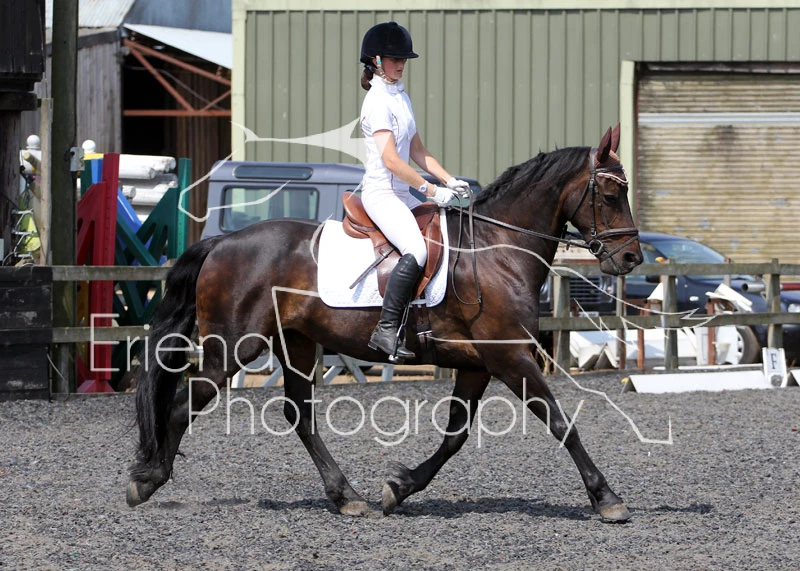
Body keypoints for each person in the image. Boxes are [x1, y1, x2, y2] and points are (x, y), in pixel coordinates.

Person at [359, 21, 470, 360]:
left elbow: (418, 150)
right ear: (377, 61)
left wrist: (450, 180)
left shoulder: (400, 97)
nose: (401, 64)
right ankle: (385, 329)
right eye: (395, 59)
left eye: (404, 59)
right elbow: (392, 160)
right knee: (417, 251)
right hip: (381, 193)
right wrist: (431, 191)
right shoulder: (377, 101)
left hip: (402, 194)